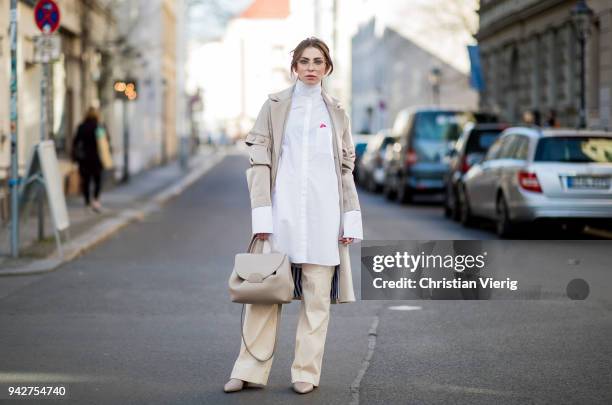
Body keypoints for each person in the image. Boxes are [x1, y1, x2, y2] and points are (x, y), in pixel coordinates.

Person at [224, 37, 363, 395]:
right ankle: (248, 368)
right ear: (295, 67)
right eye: (305, 61)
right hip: (280, 211)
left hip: (324, 214)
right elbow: (259, 161)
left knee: (317, 298)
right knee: (264, 293)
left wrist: (350, 218)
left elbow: (345, 170)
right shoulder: (274, 106)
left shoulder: (337, 112)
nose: (312, 67)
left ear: (327, 67)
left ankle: (305, 371)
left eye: (318, 61)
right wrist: (262, 216)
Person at [71, 107, 112, 213]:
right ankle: (96, 201)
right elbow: (106, 141)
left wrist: (74, 157)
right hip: (97, 159)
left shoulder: (81, 127)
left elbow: (75, 142)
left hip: (84, 159)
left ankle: (87, 203)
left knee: (86, 181)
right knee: (98, 180)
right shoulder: (99, 127)